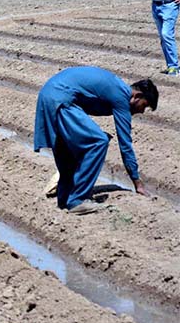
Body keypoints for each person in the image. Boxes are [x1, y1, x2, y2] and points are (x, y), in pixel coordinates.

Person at [34, 66, 157, 215]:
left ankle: (65, 197)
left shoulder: (117, 88)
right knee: (98, 142)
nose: (142, 111)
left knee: (67, 149)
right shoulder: (121, 97)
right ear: (136, 96)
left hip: (50, 95)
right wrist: (137, 183)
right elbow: (125, 144)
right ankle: (77, 201)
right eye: (144, 106)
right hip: (61, 98)